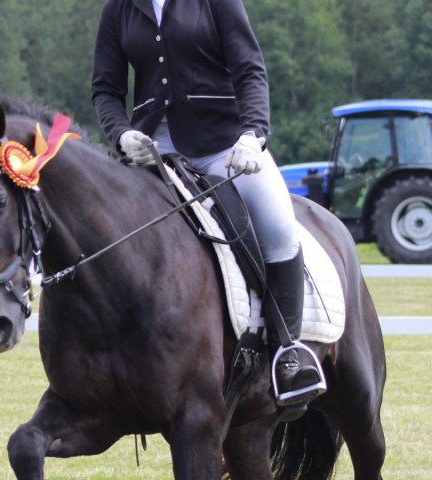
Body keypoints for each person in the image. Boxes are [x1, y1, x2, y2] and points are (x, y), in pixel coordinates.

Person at [91, 0, 323, 416]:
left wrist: (253, 134)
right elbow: (106, 89)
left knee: (277, 227)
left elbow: (249, 68)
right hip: (153, 151)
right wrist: (122, 134)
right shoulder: (119, 8)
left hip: (224, 145)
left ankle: (289, 353)